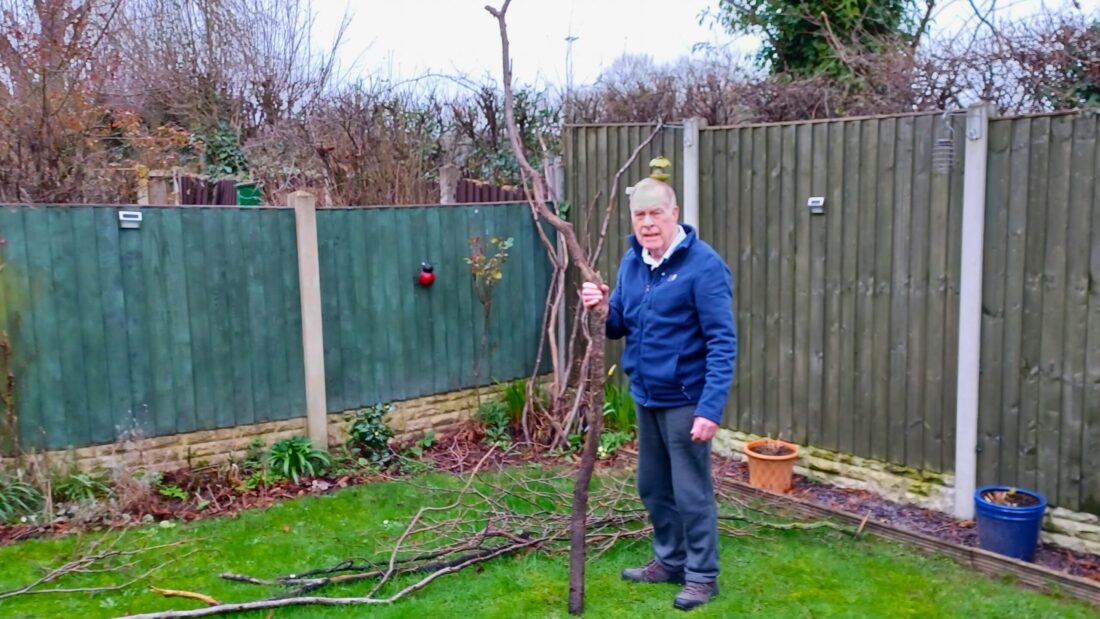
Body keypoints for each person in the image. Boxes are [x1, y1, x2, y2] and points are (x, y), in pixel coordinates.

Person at [581, 175, 737, 611]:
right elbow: (618, 325)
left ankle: (702, 576)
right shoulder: (632, 262)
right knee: (653, 486)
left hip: (686, 399)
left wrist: (710, 408)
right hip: (647, 395)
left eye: (655, 214)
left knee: (691, 492)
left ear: (674, 214)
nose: (647, 223)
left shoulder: (703, 266)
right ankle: (670, 561)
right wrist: (601, 305)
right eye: (640, 215)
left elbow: (722, 341)